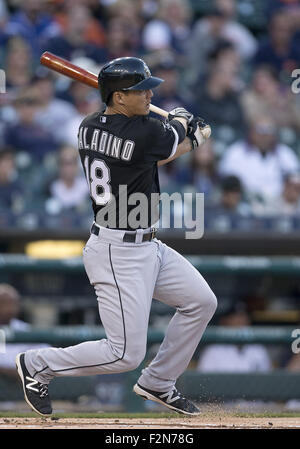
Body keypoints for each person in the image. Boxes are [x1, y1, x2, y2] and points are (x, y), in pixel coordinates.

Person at [16, 56, 217, 417]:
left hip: (148, 244)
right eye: (139, 90)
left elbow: (154, 154)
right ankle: (37, 364)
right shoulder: (143, 131)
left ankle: (158, 381)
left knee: (201, 301)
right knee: (123, 353)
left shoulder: (89, 125)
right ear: (118, 98)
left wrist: (185, 135)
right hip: (117, 251)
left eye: (147, 89)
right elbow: (168, 141)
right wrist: (187, 124)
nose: (147, 94)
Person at [219, 117, 300, 204]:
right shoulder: (235, 152)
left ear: (274, 135)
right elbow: (227, 183)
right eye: (260, 131)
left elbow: (296, 178)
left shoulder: (285, 153)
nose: (264, 136)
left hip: (280, 204)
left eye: (268, 131)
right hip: (246, 203)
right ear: (252, 132)